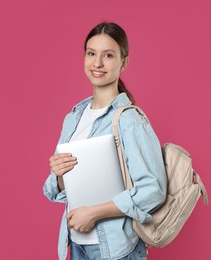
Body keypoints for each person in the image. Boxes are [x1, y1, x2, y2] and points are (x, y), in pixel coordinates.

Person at [43, 22, 167, 260]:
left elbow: (154, 189)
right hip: (76, 244)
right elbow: (56, 188)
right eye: (91, 53)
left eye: (108, 55)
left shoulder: (129, 120)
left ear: (124, 62)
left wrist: (94, 213)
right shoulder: (73, 118)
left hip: (116, 249)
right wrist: (59, 176)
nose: (97, 63)